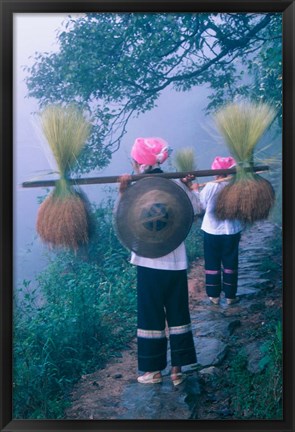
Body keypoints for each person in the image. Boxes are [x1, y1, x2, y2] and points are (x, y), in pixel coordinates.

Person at [119, 137, 199, 385]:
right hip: (175, 262)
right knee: (178, 312)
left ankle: (152, 371)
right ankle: (177, 370)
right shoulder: (175, 183)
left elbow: (122, 218)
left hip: (148, 262)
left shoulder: (134, 187)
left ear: (136, 162)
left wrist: (123, 192)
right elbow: (196, 208)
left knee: (150, 315)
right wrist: (190, 187)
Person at [190, 156, 244, 305]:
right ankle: (230, 296)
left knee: (212, 261)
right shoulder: (237, 186)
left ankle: (214, 296)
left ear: (217, 173)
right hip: (232, 230)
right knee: (230, 261)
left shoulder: (211, 186)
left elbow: (201, 206)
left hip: (212, 230)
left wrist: (195, 191)